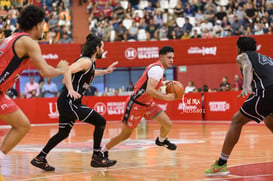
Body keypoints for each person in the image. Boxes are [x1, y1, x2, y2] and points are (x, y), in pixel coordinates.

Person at [0, 5, 78, 166]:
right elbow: (46, 73)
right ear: (37, 25)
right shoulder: (28, 42)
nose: (44, 27)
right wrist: (61, 69)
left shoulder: (12, 38)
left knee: (22, 125)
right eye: (43, 24)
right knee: (22, 126)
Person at [31, 34, 118, 171]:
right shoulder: (86, 61)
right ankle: (97, 156)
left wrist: (106, 71)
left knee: (63, 133)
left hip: (67, 102)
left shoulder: (90, 64)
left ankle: (40, 158)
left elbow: (90, 72)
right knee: (100, 121)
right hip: (70, 102)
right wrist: (70, 89)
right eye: (102, 47)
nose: (103, 50)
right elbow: (68, 70)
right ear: (97, 48)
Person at [204, 36, 273, 176]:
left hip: (267, 92)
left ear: (239, 48)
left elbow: (247, 66)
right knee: (270, 120)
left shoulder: (242, 56)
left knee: (237, 120)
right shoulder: (268, 59)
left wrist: (246, 85)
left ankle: (221, 164)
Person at [100, 46, 177, 158]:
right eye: (169, 57)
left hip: (148, 103)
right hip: (136, 104)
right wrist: (166, 97)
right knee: (125, 135)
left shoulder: (158, 68)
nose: (171, 60)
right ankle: (103, 150)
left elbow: (150, 87)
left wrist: (165, 86)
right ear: (161, 57)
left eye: (173, 58)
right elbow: (149, 90)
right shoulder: (157, 70)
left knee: (167, 124)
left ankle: (161, 140)